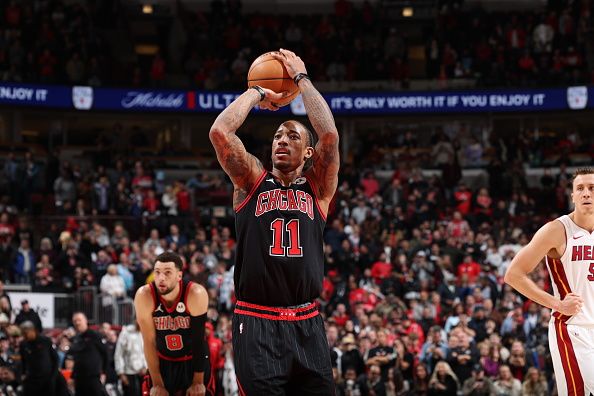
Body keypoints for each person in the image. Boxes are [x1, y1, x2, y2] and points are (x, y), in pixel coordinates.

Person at [209, 48, 339, 394]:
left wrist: (301, 79)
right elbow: (220, 132)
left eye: (292, 136)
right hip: (257, 320)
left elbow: (329, 136)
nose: (281, 140)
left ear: (308, 153)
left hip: (307, 322)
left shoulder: (317, 187)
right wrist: (258, 92)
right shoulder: (252, 180)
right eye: (278, 136)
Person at [505, 168, 594, 396]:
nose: (586, 193)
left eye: (592, 188)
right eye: (580, 189)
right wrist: (557, 304)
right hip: (572, 328)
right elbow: (514, 274)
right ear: (572, 196)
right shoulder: (557, 230)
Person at [134, 251, 212, 396]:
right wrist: (157, 383)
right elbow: (149, 342)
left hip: (193, 361)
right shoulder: (144, 296)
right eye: (157, 272)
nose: (161, 278)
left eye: (167, 272)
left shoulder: (195, 293)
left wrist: (198, 381)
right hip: (162, 362)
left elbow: (198, 340)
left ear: (179, 276)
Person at [20, 320, 69, 396]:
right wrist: (23, 374)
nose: (25, 336)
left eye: (26, 333)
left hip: (48, 380)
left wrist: (53, 377)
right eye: (23, 334)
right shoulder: (23, 345)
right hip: (33, 380)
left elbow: (55, 359)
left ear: (33, 330)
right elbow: (23, 361)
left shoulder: (45, 341)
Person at [68, 312, 108, 396]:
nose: (77, 323)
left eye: (79, 320)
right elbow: (77, 360)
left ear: (85, 321)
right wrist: (72, 377)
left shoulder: (95, 335)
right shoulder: (76, 339)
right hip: (79, 378)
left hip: (93, 377)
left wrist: (104, 372)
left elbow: (106, 354)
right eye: (75, 321)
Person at [115, 321, 147, 396]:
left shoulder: (147, 332)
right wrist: (121, 373)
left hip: (144, 373)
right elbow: (119, 354)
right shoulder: (126, 332)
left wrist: (146, 367)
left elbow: (150, 352)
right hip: (128, 373)